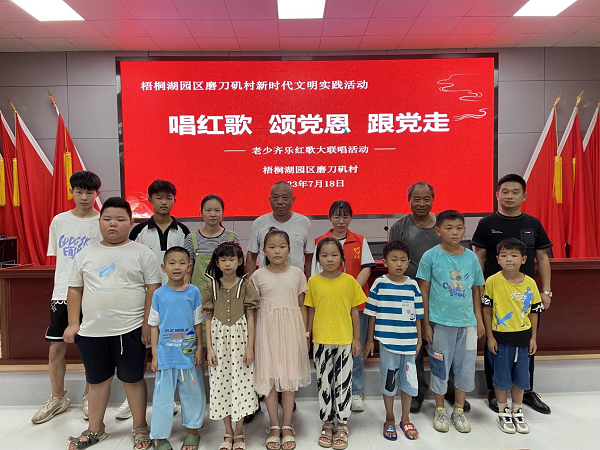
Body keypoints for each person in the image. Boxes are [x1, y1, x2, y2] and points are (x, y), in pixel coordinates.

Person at [63, 197, 162, 450]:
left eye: (119, 219)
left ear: (131, 223)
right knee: (97, 382)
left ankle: (140, 427)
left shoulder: (142, 253)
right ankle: (95, 429)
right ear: (99, 222)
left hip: (130, 330)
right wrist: (73, 324)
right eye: (107, 219)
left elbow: (153, 289)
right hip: (92, 331)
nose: (113, 224)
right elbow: (74, 289)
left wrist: (147, 324)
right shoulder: (85, 254)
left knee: (133, 379)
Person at [471, 173, 553, 415]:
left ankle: (526, 391)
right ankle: (494, 390)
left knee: (527, 342)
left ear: (524, 196)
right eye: (504, 191)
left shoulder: (533, 223)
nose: (509, 196)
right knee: (494, 344)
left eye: (515, 192)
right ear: (497, 195)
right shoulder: (486, 223)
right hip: (496, 294)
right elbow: (478, 258)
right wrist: (479, 290)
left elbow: (543, 258)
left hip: (525, 296)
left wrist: (546, 290)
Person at [389, 182, 468, 413]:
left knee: (445, 346)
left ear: (433, 199)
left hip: (444, 297)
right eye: (416, 199)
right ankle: (416, 391)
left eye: (426, 199)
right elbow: (394, 259)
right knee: (414, 345)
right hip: (409, 295)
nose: (421, 203)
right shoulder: (399, 227)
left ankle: (449, 389)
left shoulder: (443, 226)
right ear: (408, 200)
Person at [33, 171, 102, 424]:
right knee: (56, 348)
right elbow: (60, 259)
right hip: (62, 292)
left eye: (89, 192)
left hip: (93, 293)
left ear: (96, 193)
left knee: (90, 350)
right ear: (71, 192)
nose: (84, 197)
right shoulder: (59, 221)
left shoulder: (103, 221)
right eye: (79, 191)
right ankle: (57, 397)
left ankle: (89, 396)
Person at [121, 179, 188, 420]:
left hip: (175, 300)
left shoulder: (183, 231)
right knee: (141, 349)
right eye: (158, 197)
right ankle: (131, 401)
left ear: (174, 200)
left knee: (171, 347)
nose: (163, 202)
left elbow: (188, 266)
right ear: (149, 200)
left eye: (168, 197)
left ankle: (172, 399)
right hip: (145, 299)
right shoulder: (138, 231)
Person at [416, 210, 485, 434]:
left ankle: (458, 410)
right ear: (438, 231)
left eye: (459, 228)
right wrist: (426, 324)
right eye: (448, 228)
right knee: (440, 367)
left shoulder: (471, 258)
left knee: (465, 367)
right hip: (440, 322)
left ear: (464, 230)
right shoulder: (430, 257)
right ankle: (439, 410)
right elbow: (424, 292)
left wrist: (478, 320)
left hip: (467, 324)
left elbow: (476, 290)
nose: (454, 232)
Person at [312, 200, 375, 413]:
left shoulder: (360, 240)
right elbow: (315, 273)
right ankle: (331, 392)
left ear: (351, 217)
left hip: (356, 304)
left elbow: (367, 268)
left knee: (355, 347)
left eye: (345, 216)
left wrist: (349, 292)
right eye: (337, 216)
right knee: (330, 350)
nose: (341, 220)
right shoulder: (320, 241)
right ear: (330, 218)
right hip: (329, 305)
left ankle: (355, 391)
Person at [251, 228, 310, 450]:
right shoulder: (258, 276)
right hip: (266, 331)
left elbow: (302, 306)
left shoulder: (297, 274)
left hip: (291, 331)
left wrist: (304, 334)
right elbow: (252, 310)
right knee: (270, 379)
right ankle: (274, 425)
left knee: (289, 377)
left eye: (282, 247)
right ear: (264, 250)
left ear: (289, 249)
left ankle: (287, 424)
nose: (277, 251)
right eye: (272, 247)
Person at [304, 237, 365, 450]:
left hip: (344, 340)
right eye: (324, 255)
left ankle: (342, 423)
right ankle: (327, 423)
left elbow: (355, 312)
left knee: (343, 382)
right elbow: (311, 310)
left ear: (341, 257)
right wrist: (308, 335)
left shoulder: (350, 281)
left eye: (334, 255)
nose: (329, 259)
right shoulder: (313, 282)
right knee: (324, 382)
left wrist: (356, 339)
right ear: (318, 259)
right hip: (321, 340)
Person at [363, 240, 423, 441]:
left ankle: (405, 419)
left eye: (403, 260)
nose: (399, 264)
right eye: (394, 259)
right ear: (385, 262)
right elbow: (371, 314)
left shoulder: (413, 285)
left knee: (409, 383)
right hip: (388, 343)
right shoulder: (380, 284)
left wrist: (419, 339)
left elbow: (418, 315)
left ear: (408, 262)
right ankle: (389, 418)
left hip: (409, 345)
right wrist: (370, 340)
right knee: (389, 383)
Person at [482, 238, 543, 434]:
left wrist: (533, 338)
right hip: (500, 338)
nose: (509, 259)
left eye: (514, 255)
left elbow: (534, 312)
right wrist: (490, 337)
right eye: (504, 255)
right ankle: (503, 412)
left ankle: (517, 410)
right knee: (501, 377)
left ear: (523, 259)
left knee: (521, 377)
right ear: (497, 259)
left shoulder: (530, 283)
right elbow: (486, 310)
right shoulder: (492, 281)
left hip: (523, 339)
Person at [203, 241, 260, 450]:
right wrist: (209, 348)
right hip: (219, 342)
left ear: (240, 261)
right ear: (217, 262)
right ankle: (227, 431)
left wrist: (250, 347)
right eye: (223, 259)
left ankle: (239, 431)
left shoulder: (246, 285)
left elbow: (251, 317)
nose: (228, 263)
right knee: (221, 385)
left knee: (242, 384)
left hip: (241, 340)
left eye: (232, 259)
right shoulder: (211, 287)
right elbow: (208, 318)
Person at [149, 246, 206, 450]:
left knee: (193, 394)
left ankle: (193, 430)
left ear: (189, 266)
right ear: (163, 267)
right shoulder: (159, 294)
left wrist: (199, 348)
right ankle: (159, 436)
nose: (177, 267)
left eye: (182, 263)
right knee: (162, 397)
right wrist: (155, 354)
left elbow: (198, 322)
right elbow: (154, 325)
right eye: (172, 263)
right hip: (165, 355)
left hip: (188, 355)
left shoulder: (194, 292)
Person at [246, 181, 314, 277]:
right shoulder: (259, 222)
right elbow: (252, 256)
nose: (280, 202)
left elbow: (309, 257)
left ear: (293, 200)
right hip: (265, 281)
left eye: (285, 198)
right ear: (269, 200)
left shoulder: (304, 222)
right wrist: (249, 283)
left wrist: (309, 281)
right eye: (275, 198)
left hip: (295, 281)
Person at [184, 194, 238, 292]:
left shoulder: (231, 237)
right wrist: (185, 293)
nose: (213, 214)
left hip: (225, 293)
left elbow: (236, 269)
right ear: (201, 212)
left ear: (222, 212)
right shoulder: (191, 238)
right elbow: (187, 271)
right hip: (198, 294)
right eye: (208, 210)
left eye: (217, 210)